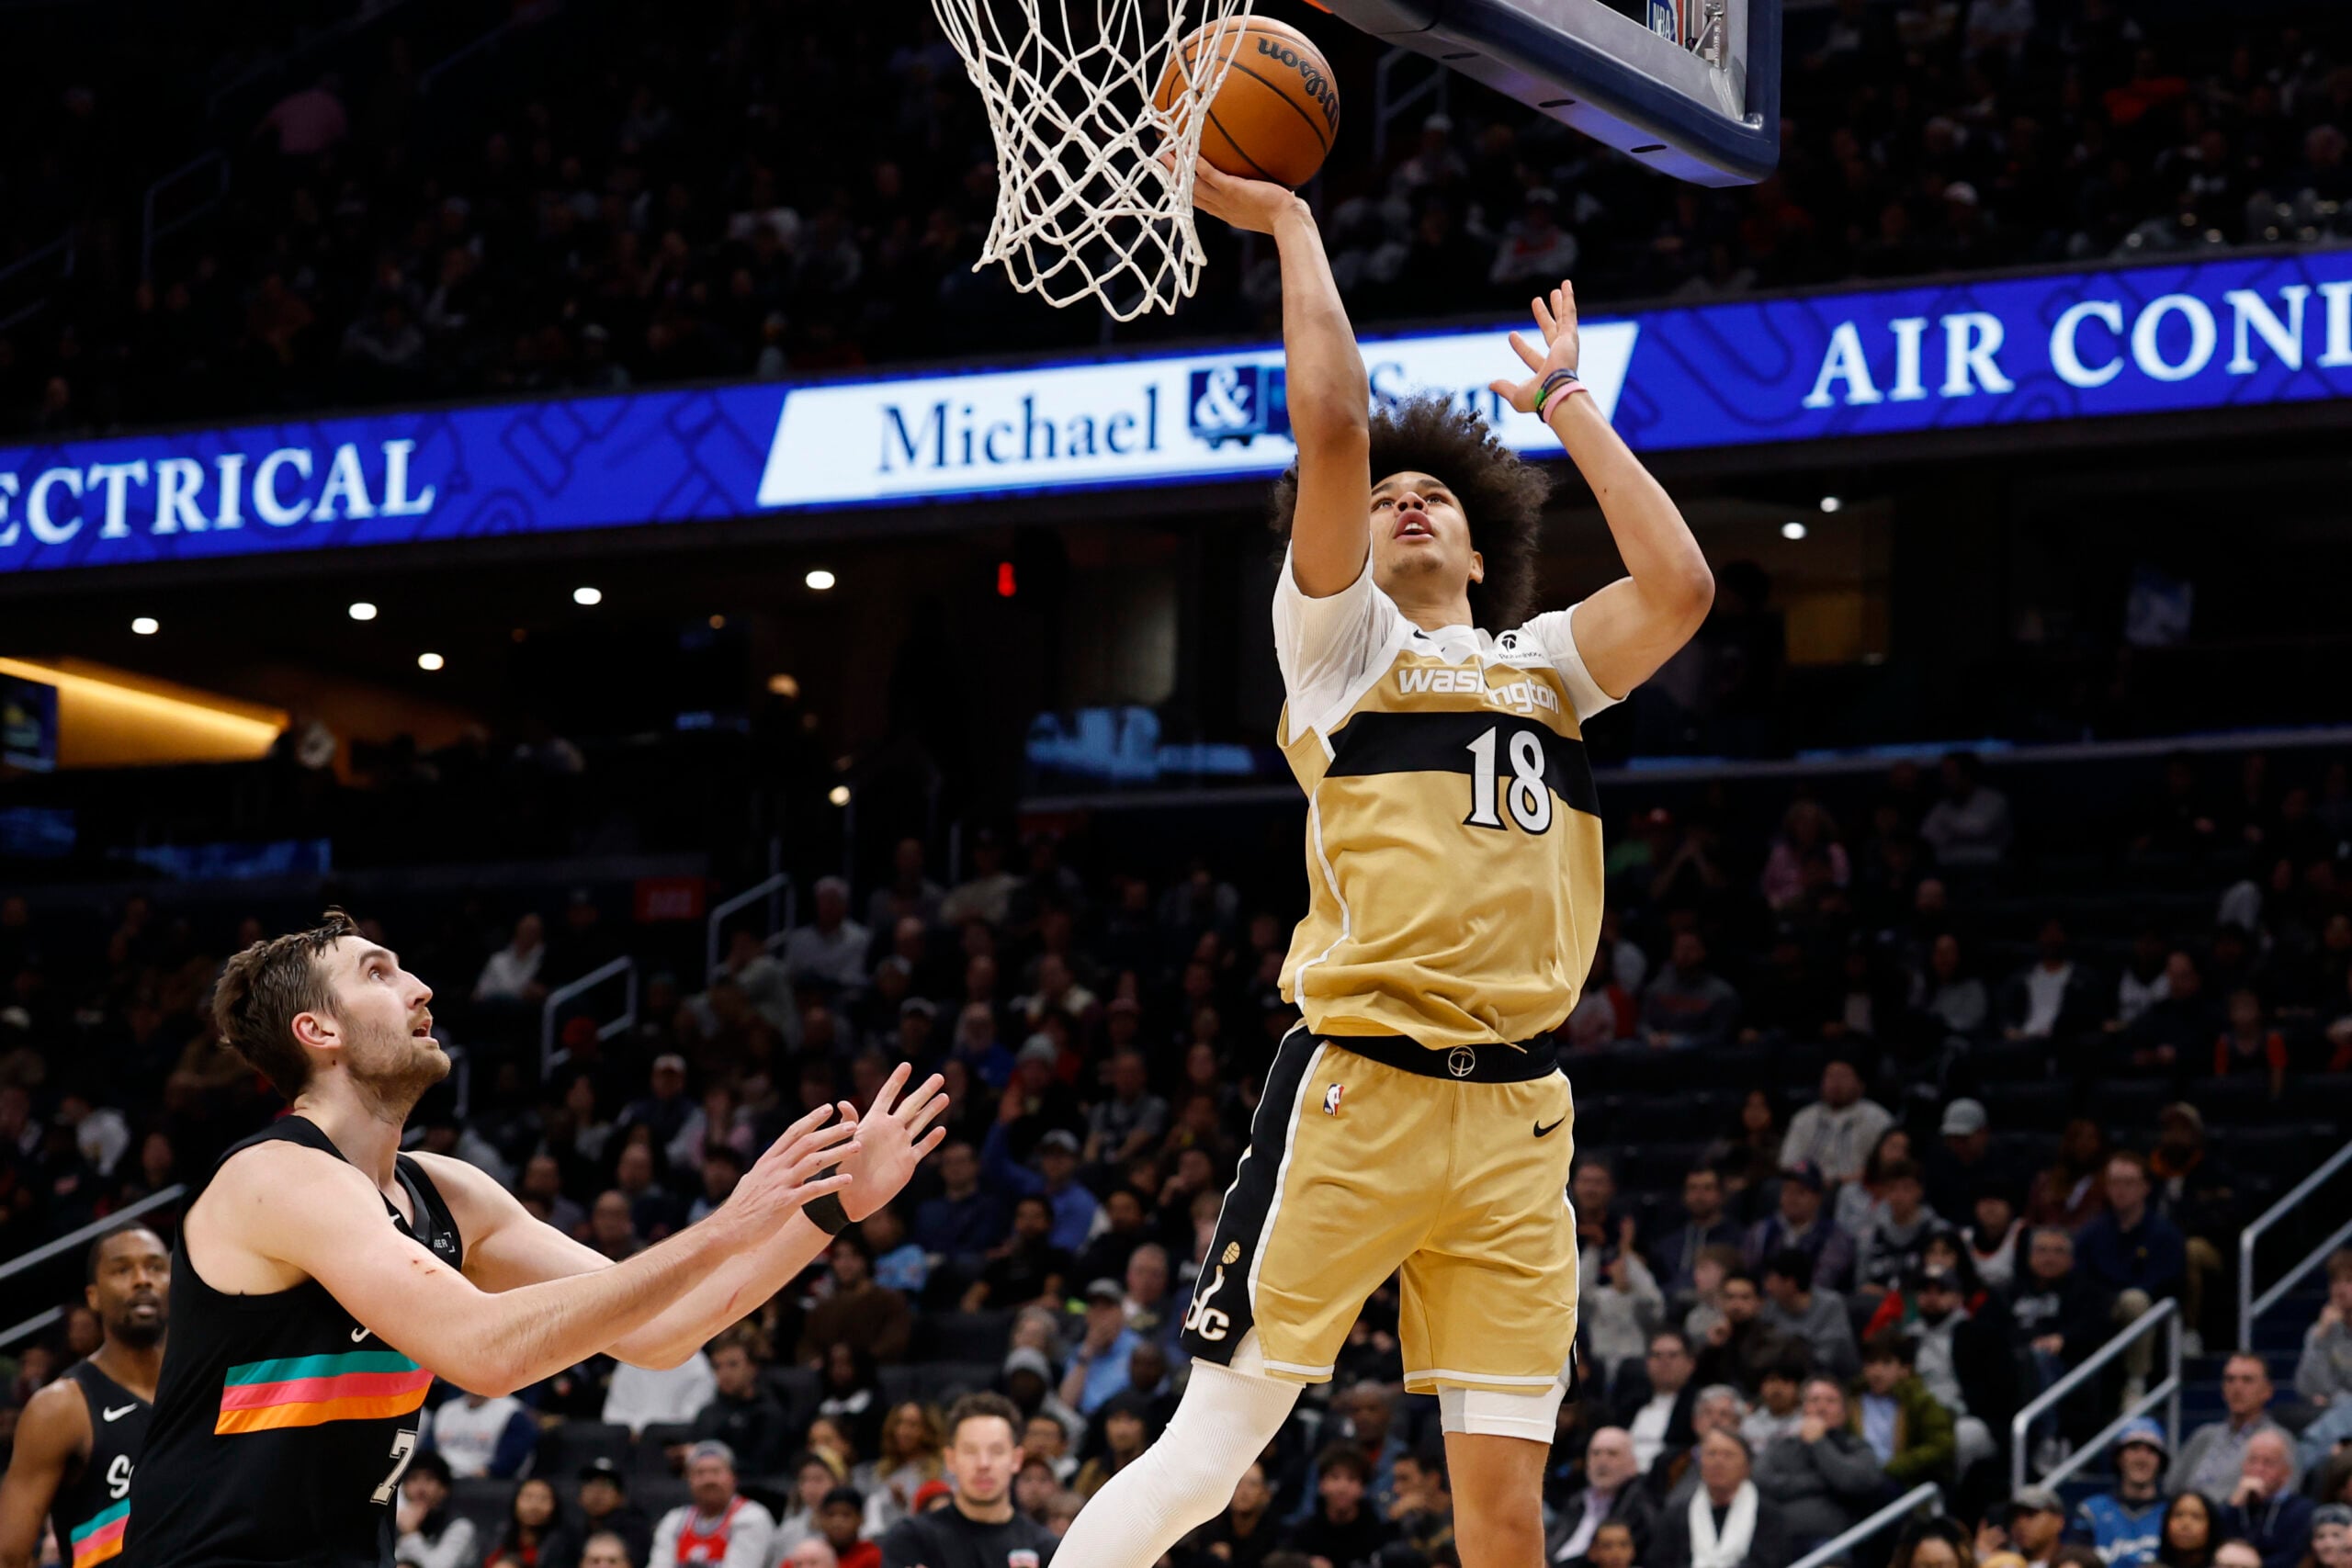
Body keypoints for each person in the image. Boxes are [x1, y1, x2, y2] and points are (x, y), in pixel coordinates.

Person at [1057, 156, 1713, 1568]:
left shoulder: (1546, 664)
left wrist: (1571, 408)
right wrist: (1295, 223)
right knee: (1207, 1459)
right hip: (1363, 1087)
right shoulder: (1342, 651)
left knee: (1502, 1516)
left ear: (1485, 550)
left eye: (1441, 499)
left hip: (1524, 1116)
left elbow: (1680, 588)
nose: (1408, 503)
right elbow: (1338, 421)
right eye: (1389, 496)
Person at [119, 910, 945, 1568]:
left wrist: (832, 1207)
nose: (420, 989)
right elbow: (485, 1350)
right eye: (378, 972)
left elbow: (661, 1331)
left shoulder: (447, 1190)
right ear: (318, 1032)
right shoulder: (276, 1175)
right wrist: (723, 1225)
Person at [0, 1224, 171, 1568]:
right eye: (122, 1269)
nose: (142, 1280)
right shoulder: (62, 1406)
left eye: (155, 1267)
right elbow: (9, 1554)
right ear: (92, 1296)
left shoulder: (209, 1383)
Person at [876, 1393, 1061, 1568]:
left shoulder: (1046, 1549)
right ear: (950, 1459)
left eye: (996, 1451)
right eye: (970, 1451)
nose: (983, 1464)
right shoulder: (912, 1540)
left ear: (1016, 1459)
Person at [1756, 1379, 1886, 1550]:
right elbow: (1761, 1481)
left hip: (1832, 1544)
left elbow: (1854, 1481)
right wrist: (1820, 1482)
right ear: (1802, 1409)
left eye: (1831, 1401)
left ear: (1844, 1412)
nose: (1821, 1407)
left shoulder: (1856, 1447)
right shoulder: (1780, 1445)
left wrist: (1818, 1442)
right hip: (1777, 1541)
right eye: (1814, 1400)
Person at [1647, 1430, 1792, 1568]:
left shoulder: (1769, 1515)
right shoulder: (1675, 1515)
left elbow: (1769, 1562)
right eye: (1711, 1454)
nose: (1718, 1462)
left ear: (1747, 1467)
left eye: (1728, 1455)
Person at [2175, 1358, 2297, 1499]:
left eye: (2247, 1380)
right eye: (2230, 1379)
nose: (2237, 1388)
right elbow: (2172, 1487)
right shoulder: (2204, 1435)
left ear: (2267, 1391)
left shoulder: (2278, 1441)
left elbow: (2287, 1495)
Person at [1852, 1332, 1956, 1486]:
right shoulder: (1850, 1400)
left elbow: (1941, 1445)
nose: (1876, 1372)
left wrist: (1900, 1466)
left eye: (1886, 1363)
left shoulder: (1920, 1402)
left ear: (1904, 1369)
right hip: (1858, 1479)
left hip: (1903, 1483)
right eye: (1871, 1362)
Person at [1546, 1427, 1659, 1565]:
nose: (1602, 1461)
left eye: (1612, 1454)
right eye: (1596, 1453)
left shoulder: (1639, 1504)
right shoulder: (1578, 1500)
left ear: (1632, 1462)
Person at [2070, 1418, 2171, 1568]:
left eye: (2151, 1451)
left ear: (2161, 1461)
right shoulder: (2091, 1510)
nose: (2142, 1458)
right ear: (2119, 1457)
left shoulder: (2175, 1512)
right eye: (2134, 1448)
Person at [1781, 1060, 1895, 1187]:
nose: (1836, 1083)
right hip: (1808, 1188)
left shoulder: (1877, 1118)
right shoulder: (1804, 1117)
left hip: (1857, 1187)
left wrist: (1840, 1182)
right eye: (1830, 1076)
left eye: (1843, 1076)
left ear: (1860, 1084)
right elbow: (1787, 1163)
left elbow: (1886, 1164)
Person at [1745, 1164, 1857, 1292]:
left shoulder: (1835, 1237)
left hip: (1816, 1308)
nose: (1792, 1198)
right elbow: (1750, 1273)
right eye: (1787, 1190)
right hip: (1765, 1304)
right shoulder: (1761, 1230)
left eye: (1800, 1192)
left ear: (1818, 1198)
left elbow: (1824, 1281)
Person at [1282, 1446, 1396, 1568]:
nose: (1342, 1488)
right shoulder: (1304, 1532)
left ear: (1362, 1488)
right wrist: (1306, 1563)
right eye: (1335, 1477)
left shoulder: (1377, 1533)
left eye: (1351, 1479)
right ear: (1321, 1484)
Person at [1761, 1248, 1860, 1380]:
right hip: (1786, 1381)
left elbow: (1827, 1357)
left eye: (1771, 1281)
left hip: (1833, 1381)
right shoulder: (1771, 1307)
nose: (1767, 1287)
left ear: (1790, 1283)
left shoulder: (1831, 1304)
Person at [2221, 1432, 2312, 1568]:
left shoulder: (2302, 1511)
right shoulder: (2232, 1506)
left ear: (2287, 1472)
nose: (2258, 1469)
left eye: (2268, 1463)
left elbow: (2290, 1559)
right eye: (2252, 1461)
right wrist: (2233, 1506)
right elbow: (2216, 1550)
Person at [390, 1451, 476, 1568]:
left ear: (444, 1489)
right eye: (413, 1479)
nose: (420, 1488)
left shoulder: (460, 1527)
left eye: (429, 1479)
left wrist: (410, 1533)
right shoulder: (393, 1523)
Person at [2295, 1251, 2352, 1408]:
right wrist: (2321, 1336)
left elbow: (2327, 1395)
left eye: (2349, 1280)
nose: (2340, 1288)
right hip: (2333, 1414)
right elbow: (2305, 1387)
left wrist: (2333, 1398)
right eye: (2335, 1281)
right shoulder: (2320, 1330)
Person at [576, 1461, 654, 1568]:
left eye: (606, 1486)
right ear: (579, 1497)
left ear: (621, 1498)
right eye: (591, 1485)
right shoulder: (571, 1534)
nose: (597, 1493)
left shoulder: (636, 1532)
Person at [483, 1477, 572, 1568]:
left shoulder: (562, 1545)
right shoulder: (500, 1534)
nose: (534, 1506)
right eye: (528, 1497)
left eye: (543, 1499)